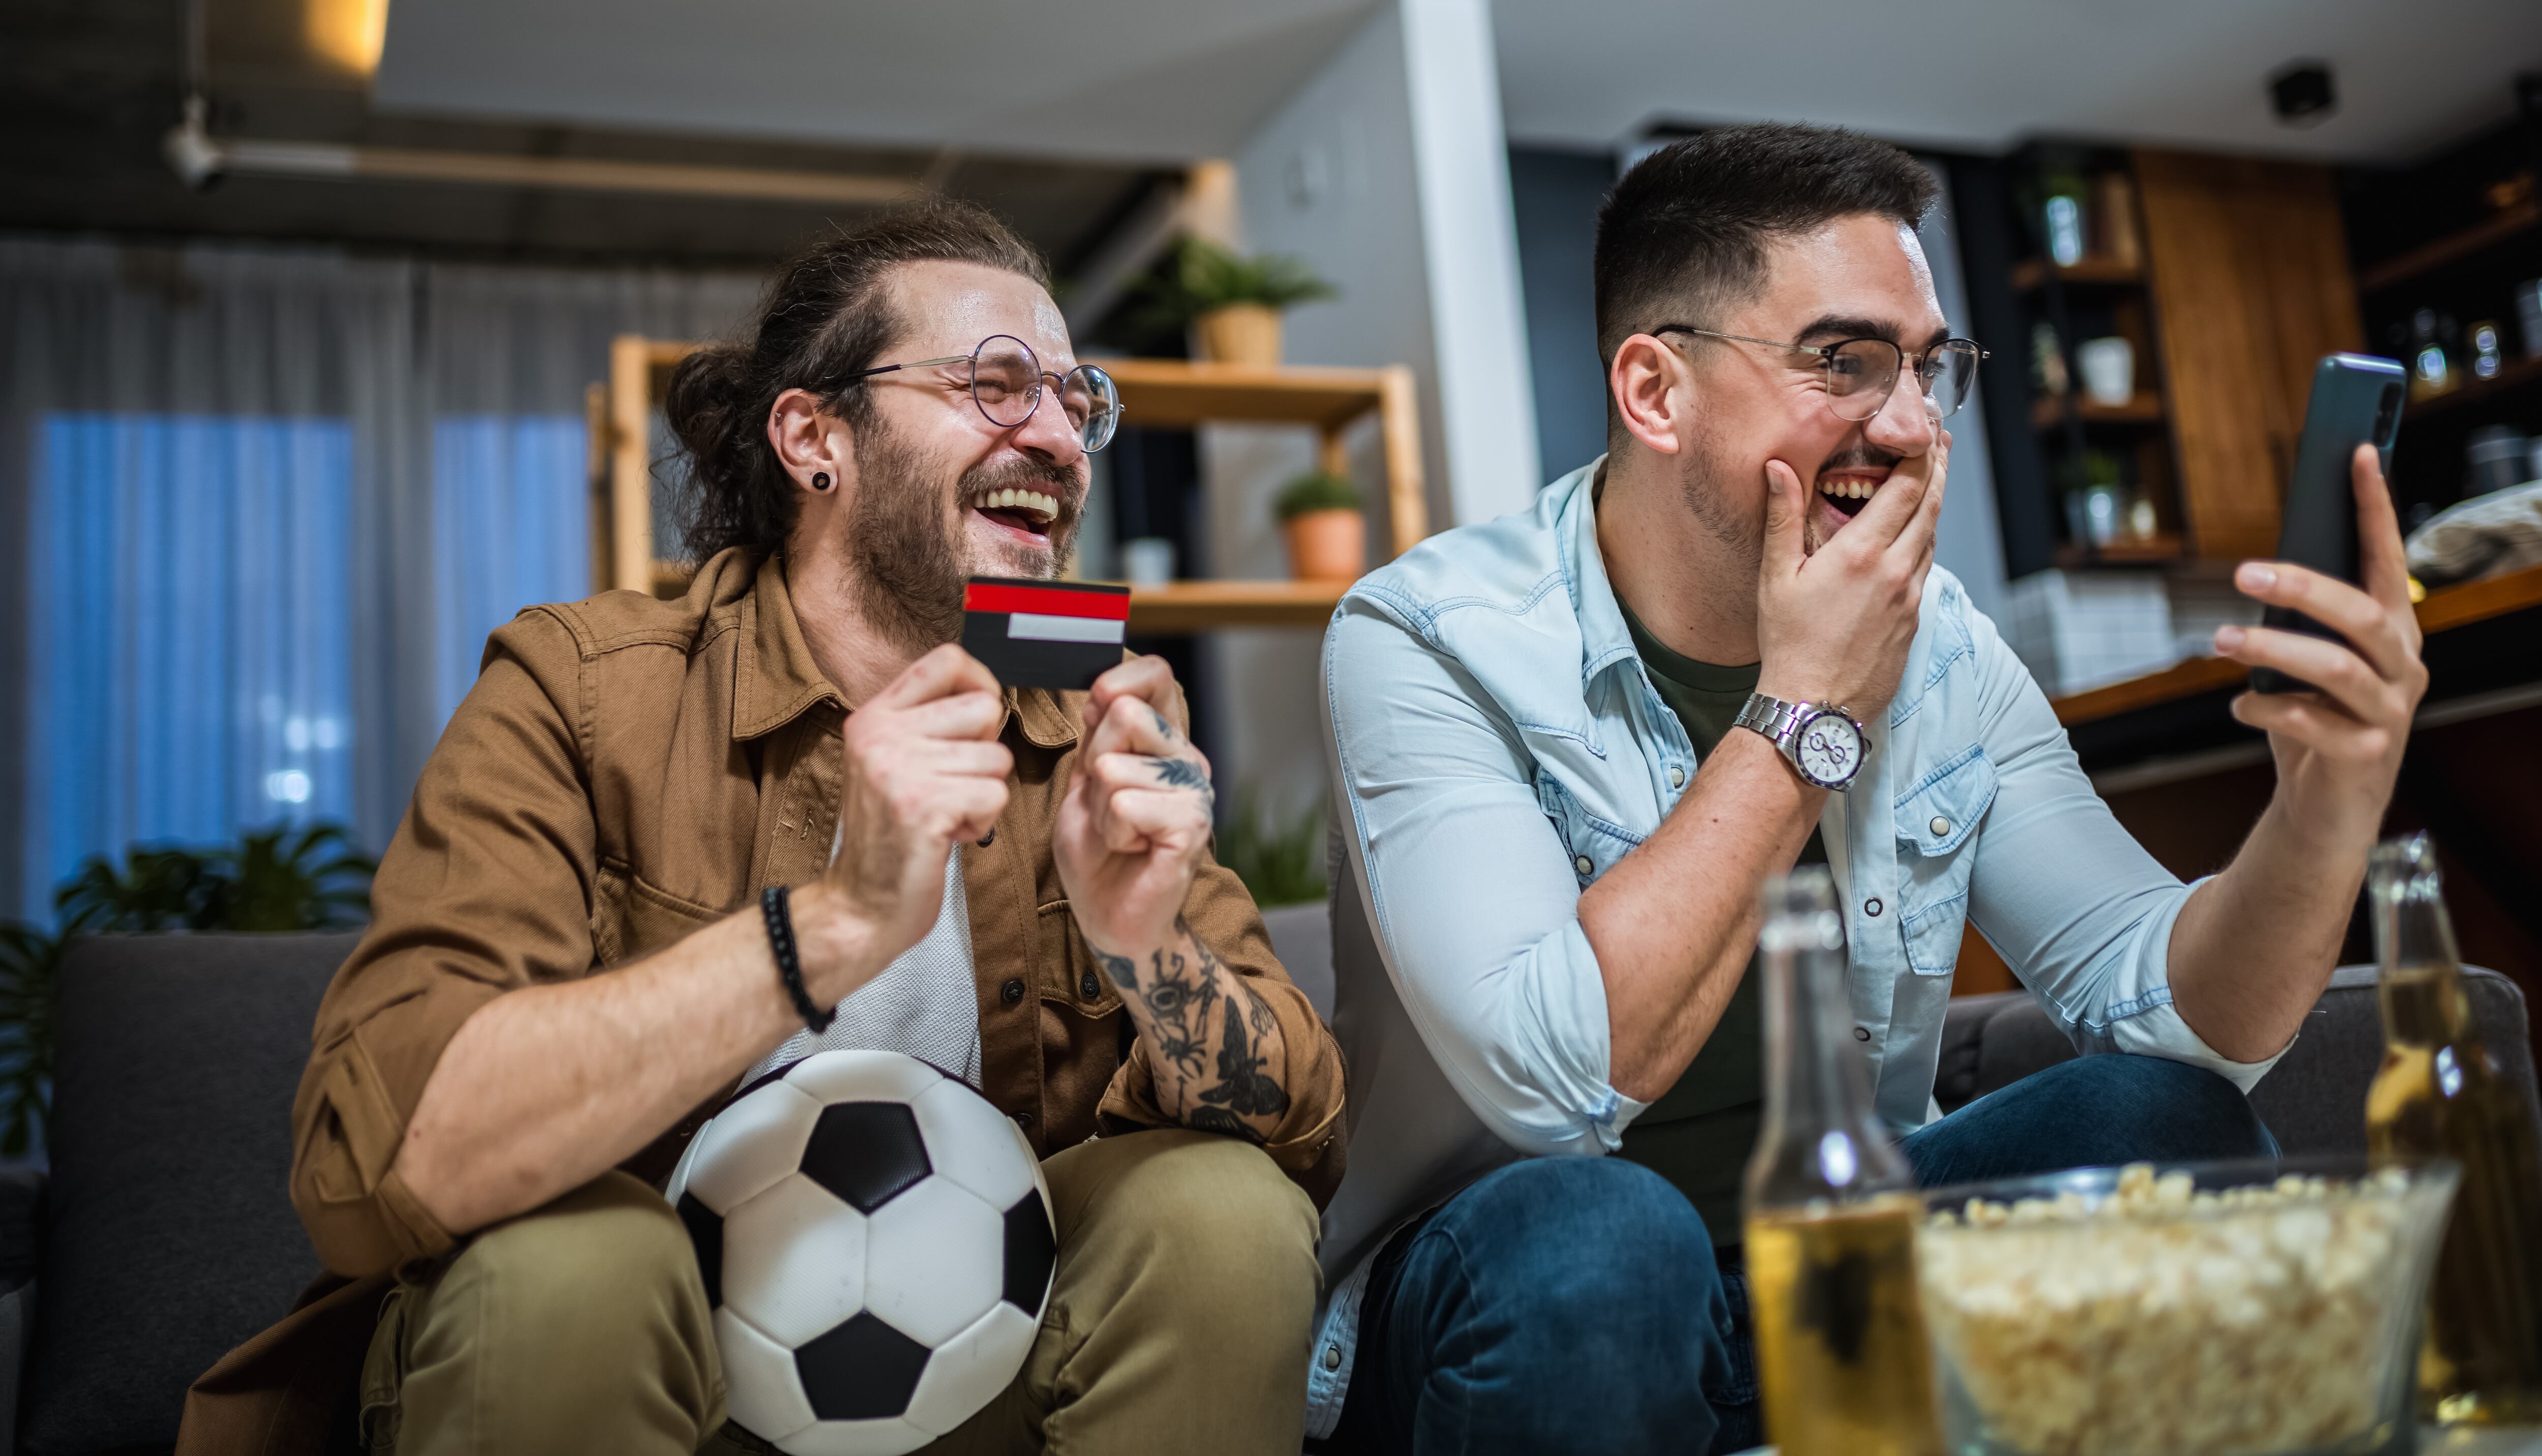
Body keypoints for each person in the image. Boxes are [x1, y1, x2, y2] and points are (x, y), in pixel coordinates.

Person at [1308, 126, 2427, 1455]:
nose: (1905, 425)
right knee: (1602, 1234)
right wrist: (1804, 712)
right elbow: (1557, 1084)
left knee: (2161, 1116)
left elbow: (2192, 1024)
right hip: (1522, 1291)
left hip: (1839, 1252)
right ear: (1655, 389)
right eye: (1843, 361)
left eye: (1928, 366)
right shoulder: (1429, 635)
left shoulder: (1942, 638)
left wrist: (2324, 802)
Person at [180, 202, 1346, 1456]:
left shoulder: (1091, 710)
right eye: (999, 384)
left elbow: (1307, 1129)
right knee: (577, 1265)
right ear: (813, 438)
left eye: (1077, 399)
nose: (1060, 438)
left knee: (1219, 1212)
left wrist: (1148, 943)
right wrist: (834, 925)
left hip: (981, 1372)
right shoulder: (582, 686)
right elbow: (375, 1161)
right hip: (646, 1361)